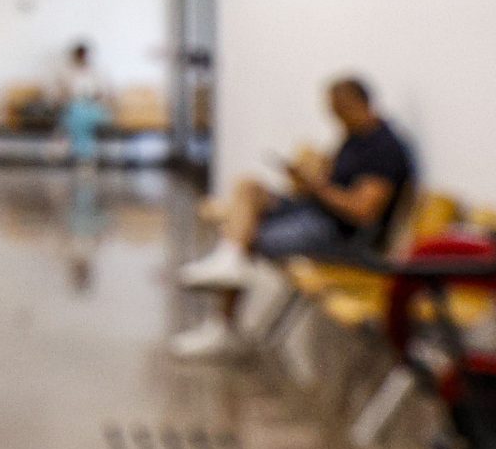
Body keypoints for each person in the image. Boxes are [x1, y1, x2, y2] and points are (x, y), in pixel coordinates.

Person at [168, 74, 415, 360]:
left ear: (358, 104)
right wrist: (306, 179)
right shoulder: (354, 137)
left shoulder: (384, 149)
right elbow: (333, 181)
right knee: (248, 188)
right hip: (315, 211)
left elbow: (362, 212)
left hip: (341, 233)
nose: (335, 117)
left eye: (339, 110)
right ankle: (229, 260)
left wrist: (318, 188)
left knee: (245, 234)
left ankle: (223, 324)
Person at [55, 40, 111, 168]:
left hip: (95, 109)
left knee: (77, 116)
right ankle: (85, 156)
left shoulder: (98, 72)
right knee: (76, 113)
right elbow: (59, 94)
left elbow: (105, 93)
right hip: (73, 108)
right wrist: (67, 97)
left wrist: (94, 97)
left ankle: (81, 154)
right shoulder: (66, 73)